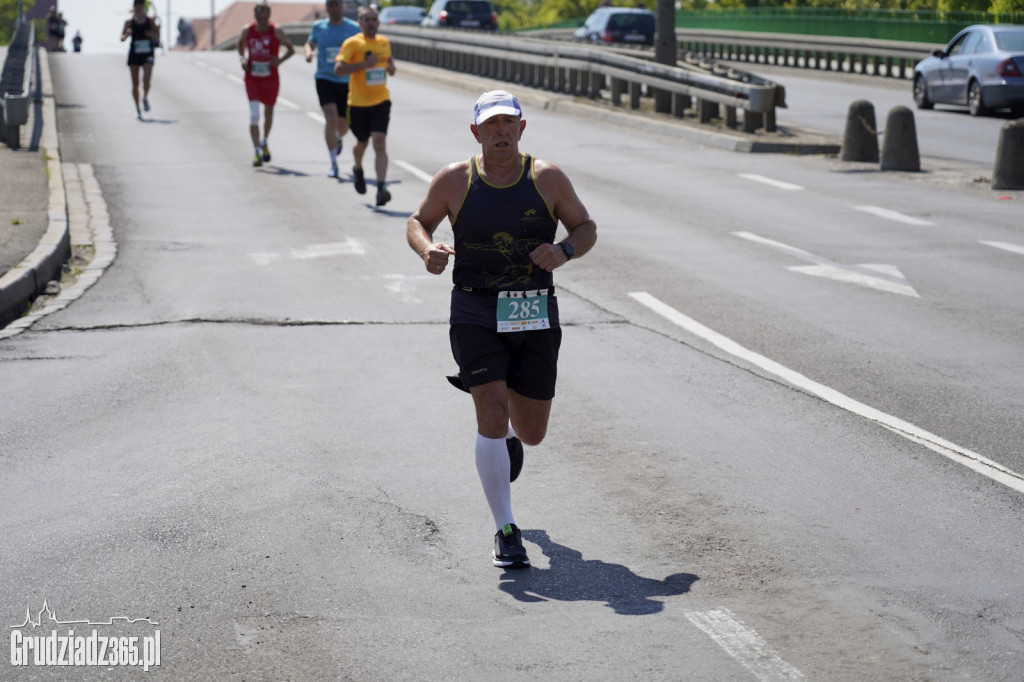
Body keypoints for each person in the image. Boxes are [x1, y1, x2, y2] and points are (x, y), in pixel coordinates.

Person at [405, 90, 598, 568]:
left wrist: (564, 251)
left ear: (522, 128)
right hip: (474, 310)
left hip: (532, 311)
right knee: (489, 406)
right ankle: (506, 530)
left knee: (531, 433)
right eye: (490, 125)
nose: (500, 132)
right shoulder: (455, 179)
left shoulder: (547, 177)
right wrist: (427, 249)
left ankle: (511, 436)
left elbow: (585, 227)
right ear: (476, 132)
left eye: (508, 123)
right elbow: (417, 221)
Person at [334, 6, 396, 206]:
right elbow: (338, 69)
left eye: (374, 19)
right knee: (362, 143)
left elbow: (388, 60)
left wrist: (391, 67)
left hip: (381, 101)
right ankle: (358, 168)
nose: (371, 22)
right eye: (366, 19)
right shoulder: (352, 43)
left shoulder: (384, 42)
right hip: (358, 103)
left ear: (378, 22)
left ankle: (381, 187)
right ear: (360, 23)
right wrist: (364, 65)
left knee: (379, 142)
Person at [304, 0, 360, 179]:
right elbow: (309, 43)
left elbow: (362, 47)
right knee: (330, 118)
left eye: (337, 5)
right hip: (324, 78)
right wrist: (308, 52)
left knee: (343, 126)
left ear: (342, 7)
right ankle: (333, 163)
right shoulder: (319, 27)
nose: (334, 8)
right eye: (331, 5)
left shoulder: (353, 28)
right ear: (326, 8)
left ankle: (338, 138)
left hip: (346, 81)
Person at [237, 2, 296, 167]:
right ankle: (256, 151)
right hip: (252, 77)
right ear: (254, 15)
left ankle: (264, 141)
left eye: (263, 13)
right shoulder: (247, 30)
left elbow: (291, 49)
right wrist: (242, 58)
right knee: (254, 114)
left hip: (270, 78)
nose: (260, 16)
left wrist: (280, 60)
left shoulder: (276, 31)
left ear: (269, 14)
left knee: (268, 113)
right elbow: (240, 45)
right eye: (257, 13)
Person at [121, 0, 160, 119]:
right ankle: (137, 108)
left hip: (147, 53)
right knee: (135, 84)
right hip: (134, 54)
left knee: (146, 80)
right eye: (136, 4)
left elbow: (157, 35)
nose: (139, 7)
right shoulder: (129, 22)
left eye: (140, 4)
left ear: (143, 6)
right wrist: (127, 34)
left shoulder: (150, 20)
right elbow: (122, 38)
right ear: (134, 7)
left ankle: (145, 97)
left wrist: (150, 34)